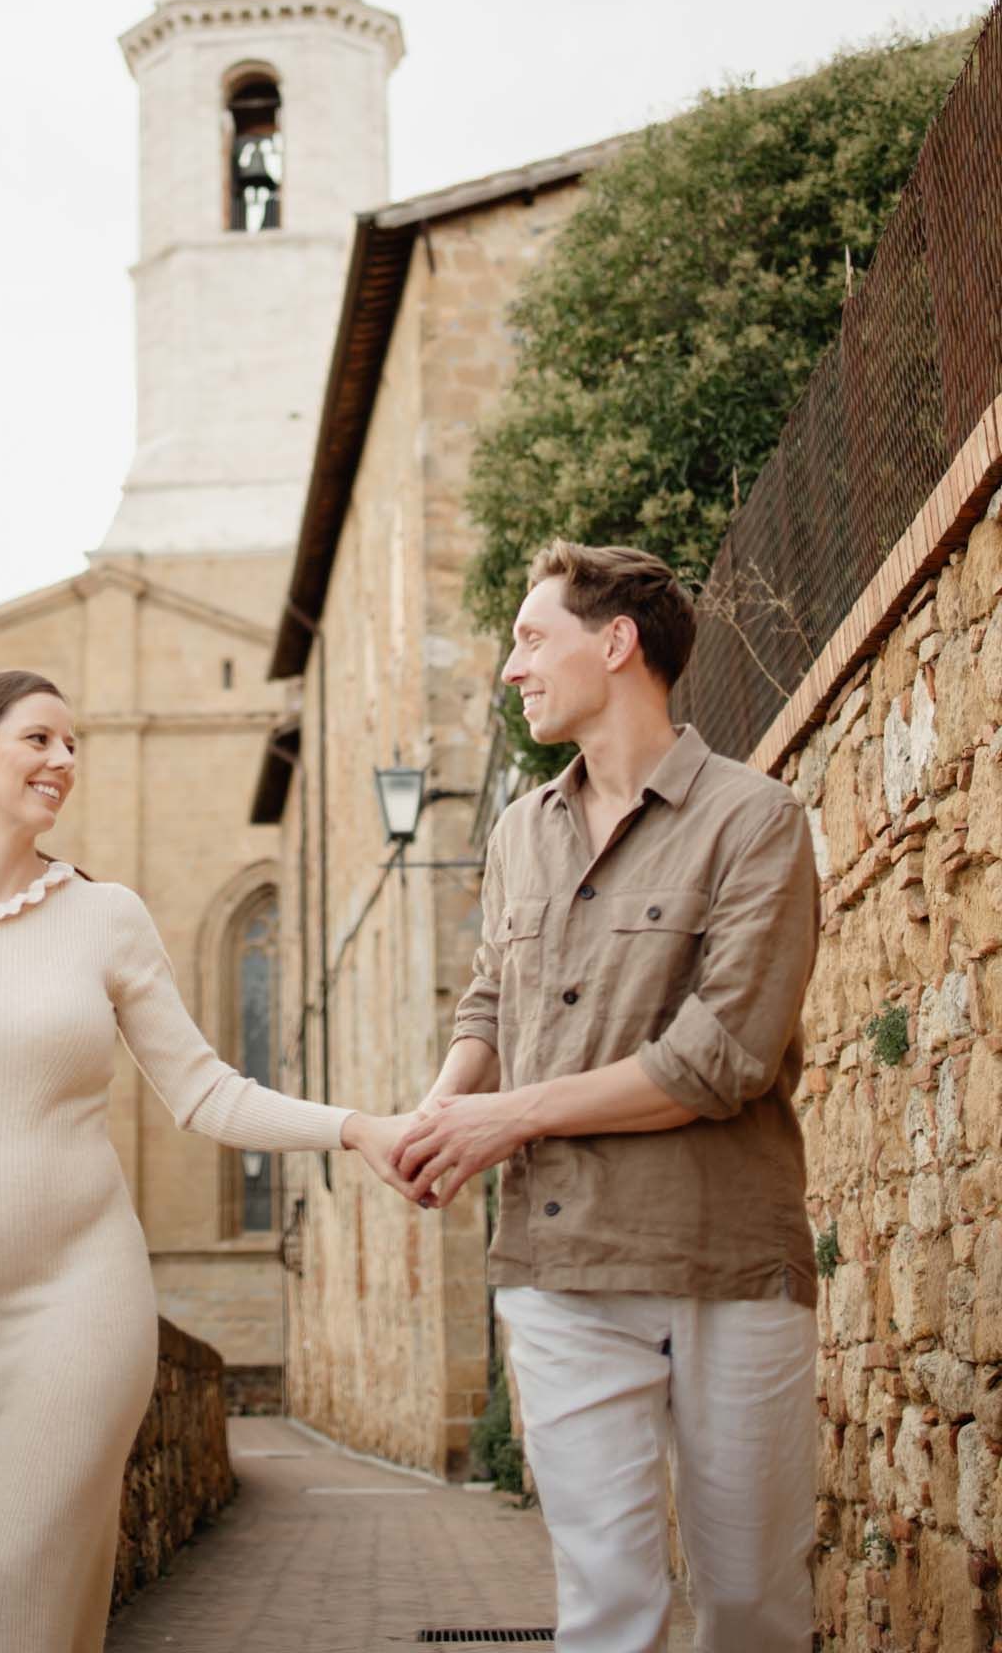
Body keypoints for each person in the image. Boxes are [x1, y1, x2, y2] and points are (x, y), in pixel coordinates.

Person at [0, 666, 408, 1653]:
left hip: (76, 1304)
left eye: (72, 744)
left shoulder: (105, 917)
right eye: (38, 740)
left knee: (16, 1582)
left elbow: (205, 1090)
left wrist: (354, 1128)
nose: (63, 761)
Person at [393, 542, 819, 1653]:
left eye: (532, 639)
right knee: (607, 1611)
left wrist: (510, 1118)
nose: (509, 669)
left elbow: (718, 1057)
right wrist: (443, 1113)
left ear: (616, 642)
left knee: (747, 1605)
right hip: (560, 1270)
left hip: (724, 1263)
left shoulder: (755, 820)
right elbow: (489, 1002)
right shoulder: (518, 832)